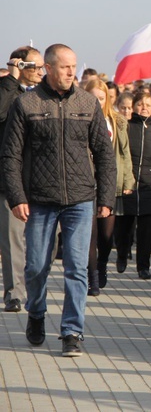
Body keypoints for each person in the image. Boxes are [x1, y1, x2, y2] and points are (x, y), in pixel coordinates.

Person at [0, 44, 116, 357]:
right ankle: (36, 313)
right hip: (39, 199)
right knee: (36, 267)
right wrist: (17, 196)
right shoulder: (26, 104)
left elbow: (104, 153)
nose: (71, 72)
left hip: (80, 199)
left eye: (73, 66)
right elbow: (9, 155)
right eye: (64, 67)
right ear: (48, 68)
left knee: (77, 267)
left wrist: (106, 196)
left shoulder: (87, 103)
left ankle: (72, 331)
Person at [0, 46, 44, 313]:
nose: (40, 72)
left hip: (42, 180)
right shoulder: (8, 90)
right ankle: (14, 293)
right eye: (34, 67)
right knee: (13, 240)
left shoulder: (44, 94)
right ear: (21, 66)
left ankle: (35, 287)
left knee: (44, 246)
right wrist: (11, 79)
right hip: (10, 180)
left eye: (42, 67)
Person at [84, 79, 134, 295]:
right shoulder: (78, 119)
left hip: (108, 183)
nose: (97, 101)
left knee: (106, 236)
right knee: (89, 235)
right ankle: (92, 277)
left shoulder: (117, 122)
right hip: (85, 184)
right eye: (94, 97)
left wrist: (127, 181)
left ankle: (102, 264)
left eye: (101, 98)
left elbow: (124, 153)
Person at [116, 91, 151, 279]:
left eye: (148, 105)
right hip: (128, 184)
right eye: (140, 104)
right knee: (125, 226)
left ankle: (143, 266)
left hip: (150, 185)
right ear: (133, 106)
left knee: (147, 230)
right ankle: (122, 255)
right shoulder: (125, 127)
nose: (144, 108)